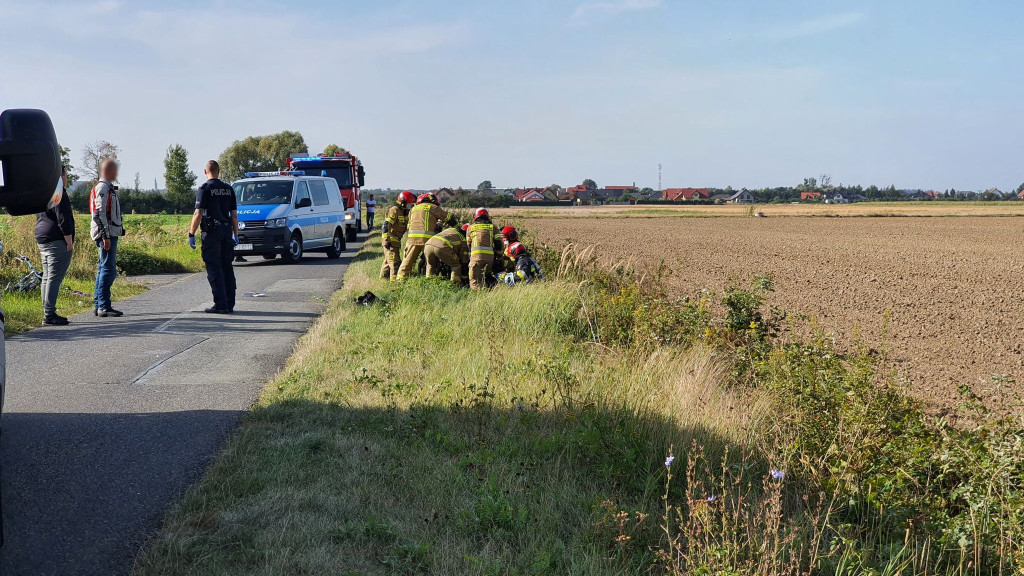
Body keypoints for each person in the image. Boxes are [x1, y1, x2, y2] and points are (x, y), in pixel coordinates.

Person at [188, 160, 238, 314]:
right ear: (219, 171)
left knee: (214, 268)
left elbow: (198, 214)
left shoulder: (204, 189)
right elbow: (234, 216)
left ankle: (220, 305)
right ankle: (229, 303)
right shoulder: (229, 189)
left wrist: (191, 233)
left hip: (212, 234)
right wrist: (236, 234)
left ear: (205, 172)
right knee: (227, 268)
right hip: (226, 232)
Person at [35, 166, 75, 326]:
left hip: (42, 236)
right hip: (56, 239)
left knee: (46, 276)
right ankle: (49, 314)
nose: (66, 179)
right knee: (54, 277)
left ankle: (47, 311)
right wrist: (69, 241)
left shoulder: (43, 192)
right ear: (61, 176)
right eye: (66, 175)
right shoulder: (59, 193)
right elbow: (63, 218)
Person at [90, 158, 124, 317]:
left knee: (103, 268)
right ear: (108, 171)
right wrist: (105, 237)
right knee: (108, 270)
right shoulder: (103, 188)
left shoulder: (107, 187)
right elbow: (99, 213)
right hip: (107, 234)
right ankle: (103, 305)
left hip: (109, 233)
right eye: (114, 170)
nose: (116, 173)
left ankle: (99, 304)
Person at [396, 193, 448, 280]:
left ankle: (400, 281)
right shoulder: (433, 207)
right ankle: (430, 281)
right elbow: (448, 217)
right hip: (428, 241)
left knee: (407, 262)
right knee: (431, 263)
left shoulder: (413, 209)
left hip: (412, 240)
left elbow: (410, 225)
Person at [381, 190, 416, 280]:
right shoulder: (395, 210)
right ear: (403, 202)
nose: (410, 206)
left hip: (396, 242)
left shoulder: (404, 212)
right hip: (390, 241)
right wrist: (386, 240)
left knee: (387, 263)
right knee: (395, 263)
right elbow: (386, 225)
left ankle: (383, 280)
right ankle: (394, 284)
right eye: (409, 204)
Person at [466, 207, 499, 290]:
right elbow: (499, 245)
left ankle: (478, 296)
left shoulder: (470, 228)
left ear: (475, 217)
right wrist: (499, 256)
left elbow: (468, 245)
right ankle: (491, 291)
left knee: (474, 280)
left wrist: (469, 257)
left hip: (475, 258)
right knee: (486, 276)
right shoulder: (493, 228)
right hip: (489, 258)